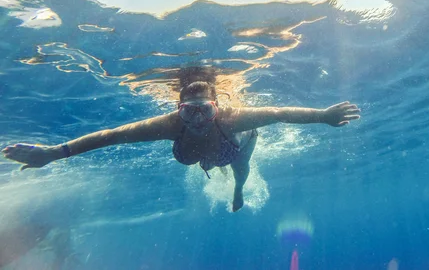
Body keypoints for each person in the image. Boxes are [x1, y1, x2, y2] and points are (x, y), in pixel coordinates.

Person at [2, 79, 360, 212]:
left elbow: (280, 112)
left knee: (238, 165)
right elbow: (109, 135)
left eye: (205, 110)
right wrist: (54, 153)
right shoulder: (168, 125)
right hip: (196, 155)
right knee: (196, 158)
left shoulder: (235, 119)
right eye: (190, 112)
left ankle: (238, 190)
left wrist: (322, 115)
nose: (199, 118)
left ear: (217, 108)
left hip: (235, 147)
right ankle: (220, 171)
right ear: (178, 111)